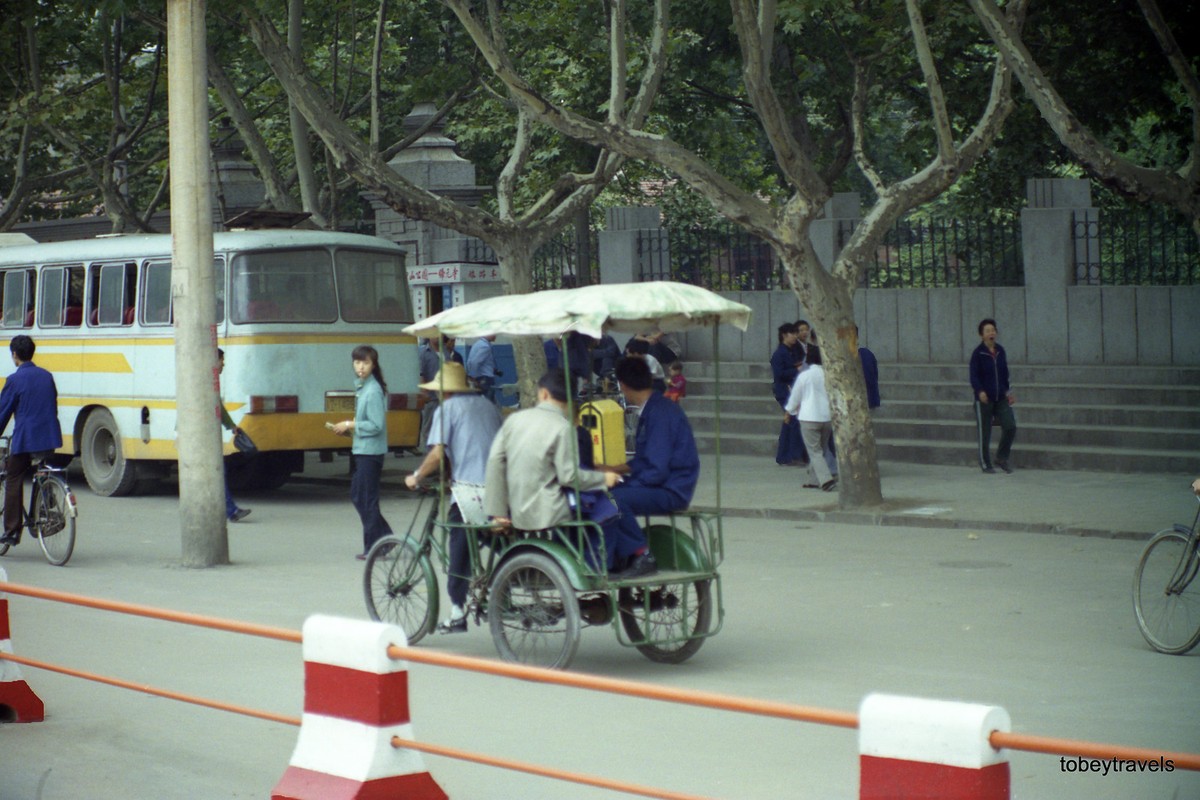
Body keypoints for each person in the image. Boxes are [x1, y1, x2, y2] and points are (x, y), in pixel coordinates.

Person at [484, 371, 621, 565]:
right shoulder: (564, 428)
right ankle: (596, 565)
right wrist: (603, 480)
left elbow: (495, 461)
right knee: (607, 509)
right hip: (548, 510)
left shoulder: (514, 420)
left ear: (544, 394)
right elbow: (570, 477)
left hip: (515, 508)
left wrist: (498, 513)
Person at [404, 361, 502, 633]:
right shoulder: (488, 405)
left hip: (473, 490)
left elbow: (437, 454)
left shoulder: (446, 410)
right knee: (490, 535)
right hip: (500, 488)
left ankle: (458, 610)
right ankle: (509, 572)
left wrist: (416, 476)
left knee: (458, 542)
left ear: (443, 391)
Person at [602, 357, 700, 578]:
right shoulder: (654, 408)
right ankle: (618, 556)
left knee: (612, 499)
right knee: (606, 492)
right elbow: (645, 460)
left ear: (623, 385)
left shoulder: (660, 413)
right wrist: (617, 470)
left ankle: (642, 554)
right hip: (663, 483)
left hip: (671, 489)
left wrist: (623, 484)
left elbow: (656, 470)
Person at [0, 336, 63, 546]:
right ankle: (47, 507)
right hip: (49, 437)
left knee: (13, 476)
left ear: (15, 355)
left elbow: (3, 414)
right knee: (42, 469)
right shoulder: (47, 376)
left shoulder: (14, 380)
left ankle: (11, 531)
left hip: (26, 439)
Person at [331, 345, 393, 558]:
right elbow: (366, 424)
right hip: (363, 450)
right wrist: (348, 430)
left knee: (366, 499)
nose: (360, 367)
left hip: (371, 453)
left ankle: (374, 546)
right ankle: (385, 537)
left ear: (373, 365)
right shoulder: (364, 387)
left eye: (365, 363)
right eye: (357, 362)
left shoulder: (373, 390)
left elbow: (376, 425)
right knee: (359, 496)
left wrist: (350, 424)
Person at [784, 345, 838, 492]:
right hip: (826, 417)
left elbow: (795, 396)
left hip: (809, 417)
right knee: (820, 448)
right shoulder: (829, 375)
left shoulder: (804, 376)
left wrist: (789, 411)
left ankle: (826, 479)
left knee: (814, 451)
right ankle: (814, 480)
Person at [969, 318, 1017, 474]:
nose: (991, 333)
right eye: (988, 331)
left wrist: (1009, 393)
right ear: (981, 335)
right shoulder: (978, 354)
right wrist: (980, 391)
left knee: (1010, 426)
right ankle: (985, 463)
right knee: (985, 432)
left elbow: (1005, 374)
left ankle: (1002, 457)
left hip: (1001, 397)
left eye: (993, 330)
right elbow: (974, 376)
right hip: (984, 399)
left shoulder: (1001, 351)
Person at [217, 349, 251, 523]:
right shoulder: (205, 379)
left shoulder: (211, 380)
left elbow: (219, 407)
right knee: (218, 473)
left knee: (218, 473)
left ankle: (229, 510)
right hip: (200, 439)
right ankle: (230, 510)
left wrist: (231, 426)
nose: (224, 363)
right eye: (222, 360)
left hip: (205, 437)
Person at [770, 322, 808, 467]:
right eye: (793, 333)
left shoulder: (794, 350)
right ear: (784, 335)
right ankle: (793, 455)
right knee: (793, 422)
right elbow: (779, 375)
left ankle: (785, 455)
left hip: (794, 390)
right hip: (785, 391)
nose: (795, 336)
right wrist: (796, 370)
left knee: (789, 423)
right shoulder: (779, 354)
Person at [466, 334, 500, 401]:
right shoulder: (485, 347)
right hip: (485, 379)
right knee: (488, 402)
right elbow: (475, 362)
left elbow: (471, 362)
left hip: (480, 377)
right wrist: (473, 376)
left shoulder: (478, 344)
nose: (495, 336)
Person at [857, 326, 881, 410]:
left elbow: (870, 377)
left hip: (863, 400)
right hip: (870, 399)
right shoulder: (867, 354)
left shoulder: (865, 355)